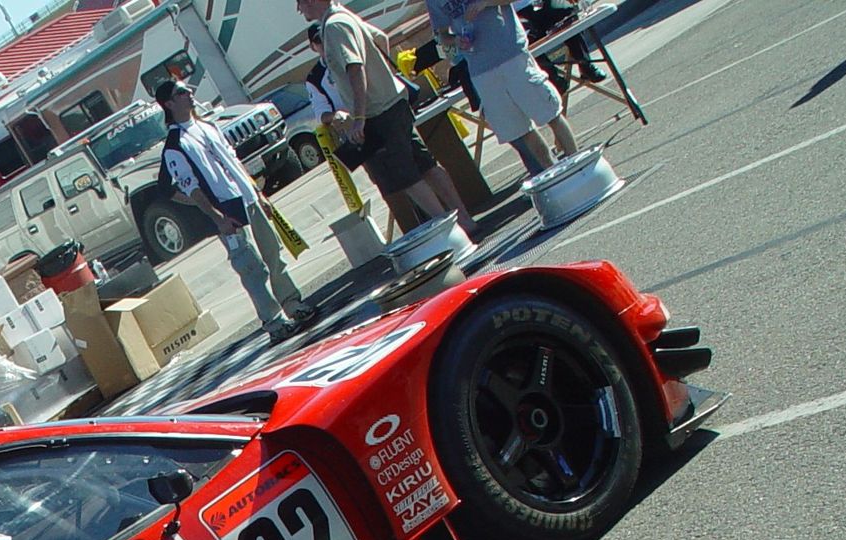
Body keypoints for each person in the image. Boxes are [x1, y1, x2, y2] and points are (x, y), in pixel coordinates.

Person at [297, 0, 478, 242]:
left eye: (299, 3)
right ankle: (465, 220)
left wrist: (359, 117)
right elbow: (381, 38)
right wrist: (383, 75)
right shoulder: (344, 16)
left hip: (377, 112)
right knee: (425, 165)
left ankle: (452, 233)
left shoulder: (333, 26)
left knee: (407, 177)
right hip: (393, 102)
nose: (299, 10)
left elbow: (355, 68)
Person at [155, 77, 310, 343]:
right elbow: (186, 188)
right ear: (169, 103)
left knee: (274, 255)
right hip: (226, 210)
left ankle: (292, 303)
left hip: (248, 198)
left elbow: (234, 162)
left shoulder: (208, 126)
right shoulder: (175, 145)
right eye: (181, 92)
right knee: (251, 268)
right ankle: (274, 322)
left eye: (187, 89)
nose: (189, 93)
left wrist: (258, 194)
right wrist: (217, 218)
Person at [427, 0, 579, 174]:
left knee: (550, 113)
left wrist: (485, 3)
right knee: (521, 130)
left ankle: (579, 166)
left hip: (512, 55)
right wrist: (456, 40)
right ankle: (555, 173)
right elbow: (442, 35)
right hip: (480, 70)